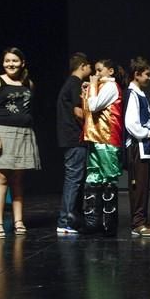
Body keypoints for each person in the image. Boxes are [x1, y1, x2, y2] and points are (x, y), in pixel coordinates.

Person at [0, 47, 41, 239]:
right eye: (7, 60)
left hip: (24, 133)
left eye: (14, 61)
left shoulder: (28, 83)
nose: (10, 64)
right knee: (1, 178)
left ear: (22, 63)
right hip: (2, 132)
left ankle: (18, 220)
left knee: (17, 179)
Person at [82, 59, 125, 237]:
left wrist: (92, 86)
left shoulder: (110, 87)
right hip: (96, 138)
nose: (96, 74)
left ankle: (109, 224)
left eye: (100, 71)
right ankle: (92, 222)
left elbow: (93, 106)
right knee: (94, 177)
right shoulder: (100, 86)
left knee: (108, 179)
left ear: (110, 71)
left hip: (107, 139)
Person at [124, 56, 150, 236]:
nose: (149, 78)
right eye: (146, 74)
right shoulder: (132, 94)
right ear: (137, 74)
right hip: (136, 147)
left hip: (144, 146)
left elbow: (146, 121)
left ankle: (143, 220)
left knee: (143, 185)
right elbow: (131, 124)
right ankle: (137, 224)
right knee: (138, 186)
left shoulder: (141, 94)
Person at [56, 52, 92, 234]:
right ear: (83, 66)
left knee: (75, 178)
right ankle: (65, 221)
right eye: (89, 66)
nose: (91, 70)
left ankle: (72, 218)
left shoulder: (70, 84)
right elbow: (79, 112)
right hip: (74, 138)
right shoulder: (75, 84)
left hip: (69, 138)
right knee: (74, 179)